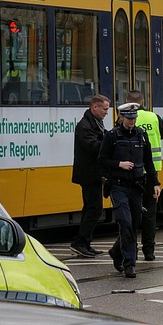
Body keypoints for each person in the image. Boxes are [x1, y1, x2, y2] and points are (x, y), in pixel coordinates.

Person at [98, 102, 159, 278]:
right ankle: (129, 264)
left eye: (134, 118)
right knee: (124, 222)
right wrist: (119, 164)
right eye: (129, 118)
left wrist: (155, 183)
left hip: (136, 186)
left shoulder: (141, 135)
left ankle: (116, 251)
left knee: (134, 223)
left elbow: (149, 161)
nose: (132, 122)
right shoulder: (112, 136)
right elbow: (101, 160)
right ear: (121, 117)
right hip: (118, 186)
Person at [124, 89, 163, 261]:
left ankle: (132, 251)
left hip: (132, 172)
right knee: (150, 213)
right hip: (152, 172)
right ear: (143, 101)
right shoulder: (154, 117)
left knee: (132, 214)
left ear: (128, 101)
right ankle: (149, 252)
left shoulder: (124, 119)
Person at [70, 94, 110, 258]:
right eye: (105, 109)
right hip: (89, 173)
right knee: (94, 208)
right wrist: (110, 143)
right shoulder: (85, 126)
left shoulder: (95, 122)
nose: (107, 113)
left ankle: (85, 242)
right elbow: (94, 147)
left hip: (93, 172)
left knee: (90, 208)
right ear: (95, 107)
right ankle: (80, 242)